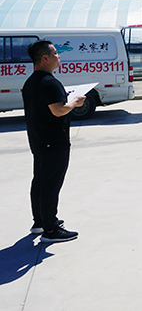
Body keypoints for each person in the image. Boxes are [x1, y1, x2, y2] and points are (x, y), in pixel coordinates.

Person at [23, 40, 85, 243]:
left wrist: (64, 99)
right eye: (56, 53)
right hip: (53, 142)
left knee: (40, 181)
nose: (59, 56)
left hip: (39, 140)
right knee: (51, 185)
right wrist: (74, 102)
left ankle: (40, 221)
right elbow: (58, 110)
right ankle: (50, 230)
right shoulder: (50, 82)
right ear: (45, 58)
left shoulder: (31, 81)